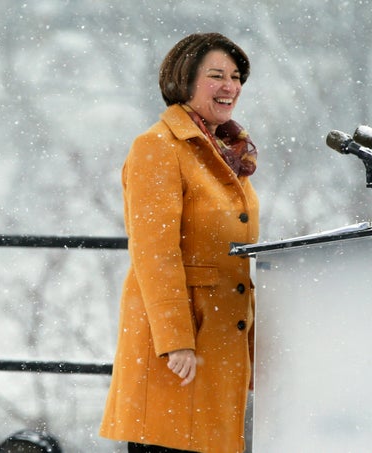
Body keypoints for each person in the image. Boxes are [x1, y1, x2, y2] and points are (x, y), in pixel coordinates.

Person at [99, 33, 259, 453]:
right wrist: (176, 341)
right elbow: (155, 253)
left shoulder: (227, 151)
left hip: (221, 339)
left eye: (236, 77)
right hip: (182, 346)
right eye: (217, 75)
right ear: (185, 81)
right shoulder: (157, 147)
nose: (231, 86)